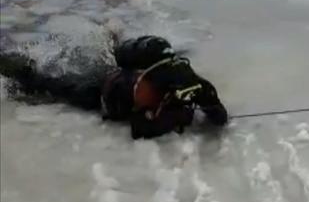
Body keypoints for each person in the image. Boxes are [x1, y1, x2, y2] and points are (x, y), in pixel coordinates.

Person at [0, 35, 228, 139]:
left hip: (115, 76)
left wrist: (203, 103)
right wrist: (180, 115)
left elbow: (219, 115)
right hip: (98, 90)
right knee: (46, 84)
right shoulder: (143, 88)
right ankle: (12, 66)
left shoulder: (192, 82)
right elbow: (141, 128)